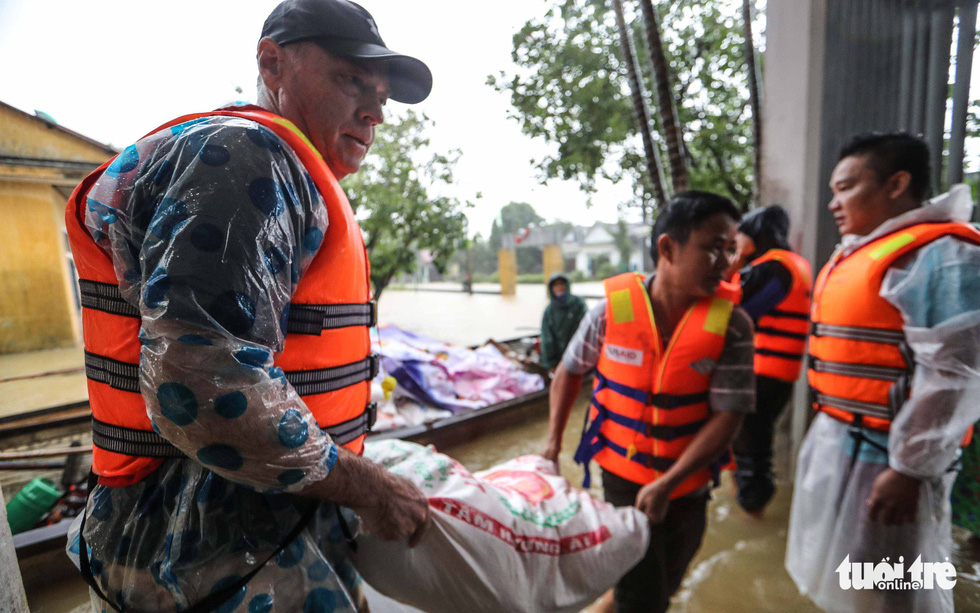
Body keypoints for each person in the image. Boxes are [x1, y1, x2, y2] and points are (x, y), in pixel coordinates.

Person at [63, 1, 434, 610]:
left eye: (382, 97)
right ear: (272, 63)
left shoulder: (278, 168)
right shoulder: (245, 158)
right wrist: (369, 488)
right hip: (207, 554)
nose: (375, 112)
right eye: (351, 81)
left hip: (252, 537)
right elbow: (206, 388)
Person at [785, 133, 980, 613]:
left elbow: (955, 374)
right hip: (843, 443)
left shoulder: (941, 256)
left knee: (894, 587)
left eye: (846, 188)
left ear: (897, 184)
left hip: (890, 459)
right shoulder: (864, 252)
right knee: (855, 580)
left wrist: (909, 469)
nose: (834, 203)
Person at [542, 191, 756, 613]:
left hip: (688, 481)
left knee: (670, 575)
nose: (726, 262)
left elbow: (728, 416)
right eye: (713, 248)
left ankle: (615, 598)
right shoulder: (610, 311)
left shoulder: (731, 324)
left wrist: (670, 481)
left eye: (730, 250)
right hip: (622, 474)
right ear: (667, 248)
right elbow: (569, 370)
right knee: (644, 598)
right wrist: (552, 442)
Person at [729, 205, 812, 513]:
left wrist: (734, 265)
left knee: (752, 449)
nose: (737, 241)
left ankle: (753, 513)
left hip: (761, 374)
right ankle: (749, 504)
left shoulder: (772, 268)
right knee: (751, 444)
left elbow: (733, 311)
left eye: (741, 235)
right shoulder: (796, 264)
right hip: (778, 373)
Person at [539, 273, 588, 373]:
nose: (559, 287)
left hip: (579, 355)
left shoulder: (578, 303)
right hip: (560, 358)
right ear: (551, 289)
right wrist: (551, 363)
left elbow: (587, 327)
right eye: (555, 285)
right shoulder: (549, 310)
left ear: (567, 285)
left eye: (561, 284)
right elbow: (547, 338)